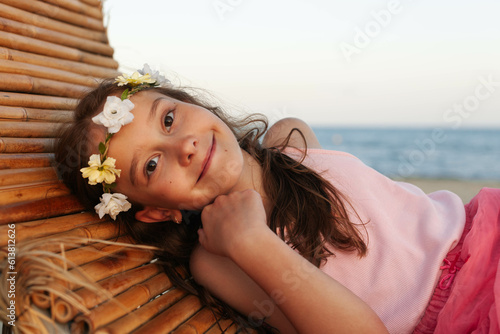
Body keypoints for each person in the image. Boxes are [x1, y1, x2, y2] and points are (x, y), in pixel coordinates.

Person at [55, 65, 500, 334]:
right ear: (155, 211)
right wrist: (252, 241)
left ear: (190, 103)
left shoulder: (291, 140)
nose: (183, 147)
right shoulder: (218, 260)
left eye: (169, 117)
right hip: (464, 316)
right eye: (151, 166)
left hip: (483, 231)